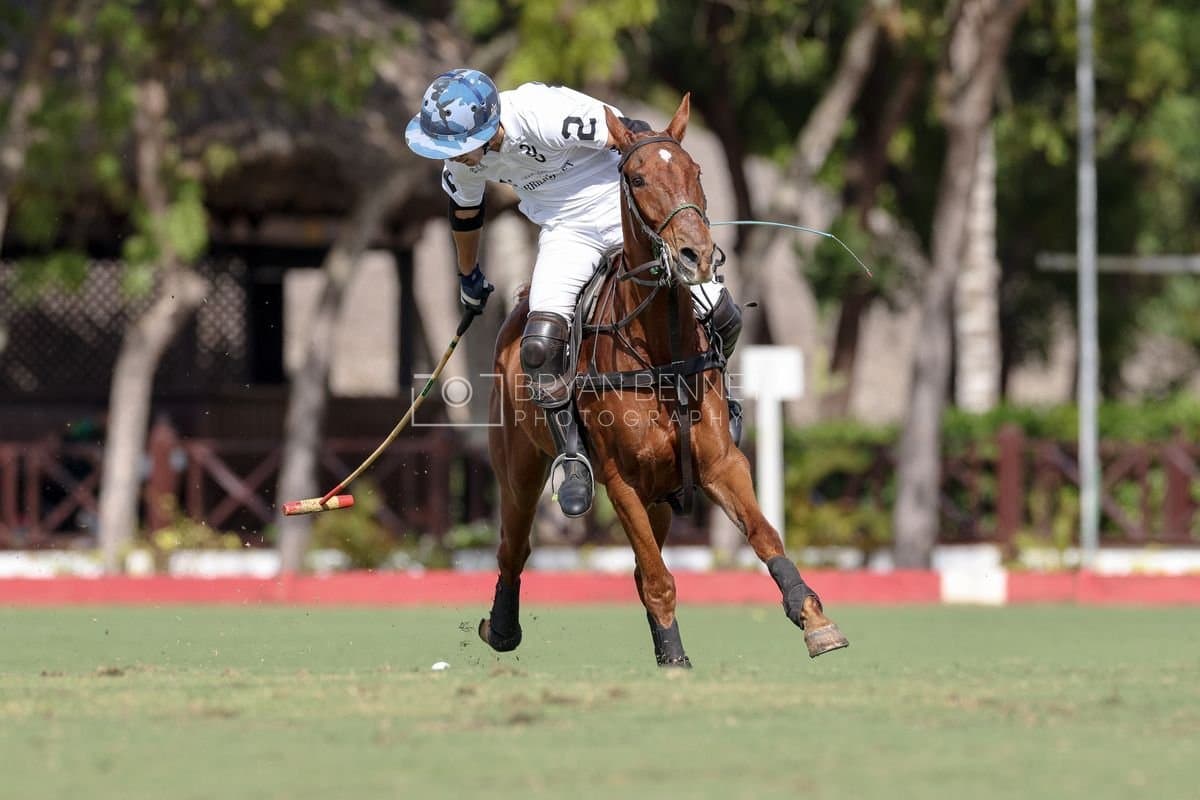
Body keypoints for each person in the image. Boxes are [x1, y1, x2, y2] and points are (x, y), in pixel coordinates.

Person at [405, 68, 742, 518]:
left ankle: (722, 406)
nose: (455, 158)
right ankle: (571, 455)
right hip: (567, 232)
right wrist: (468, 276)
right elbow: (466, 215)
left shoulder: (543, 114)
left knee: (723, 314)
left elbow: (635, 137)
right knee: (540, 345)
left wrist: (670, 213)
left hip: (626, 212)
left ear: (488, 127)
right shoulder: (463, 162)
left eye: (459, 147)